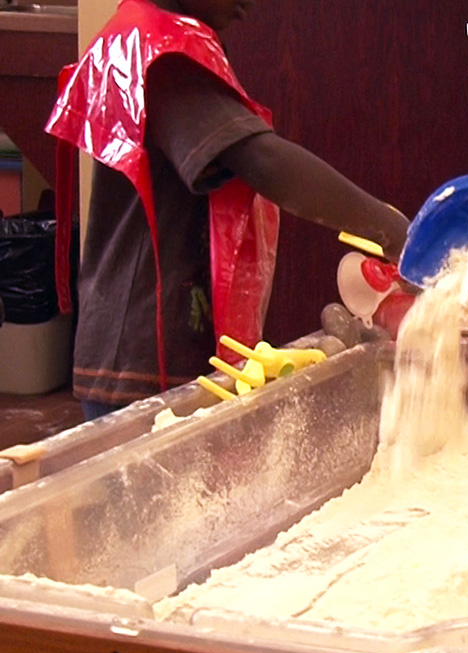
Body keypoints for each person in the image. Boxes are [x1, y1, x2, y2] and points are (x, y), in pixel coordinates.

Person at [46, 0, 409, 420]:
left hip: (137, 343)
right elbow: (263, 162)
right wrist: (394, 230)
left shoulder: (152, 37)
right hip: (144, 355)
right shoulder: (161, 59)